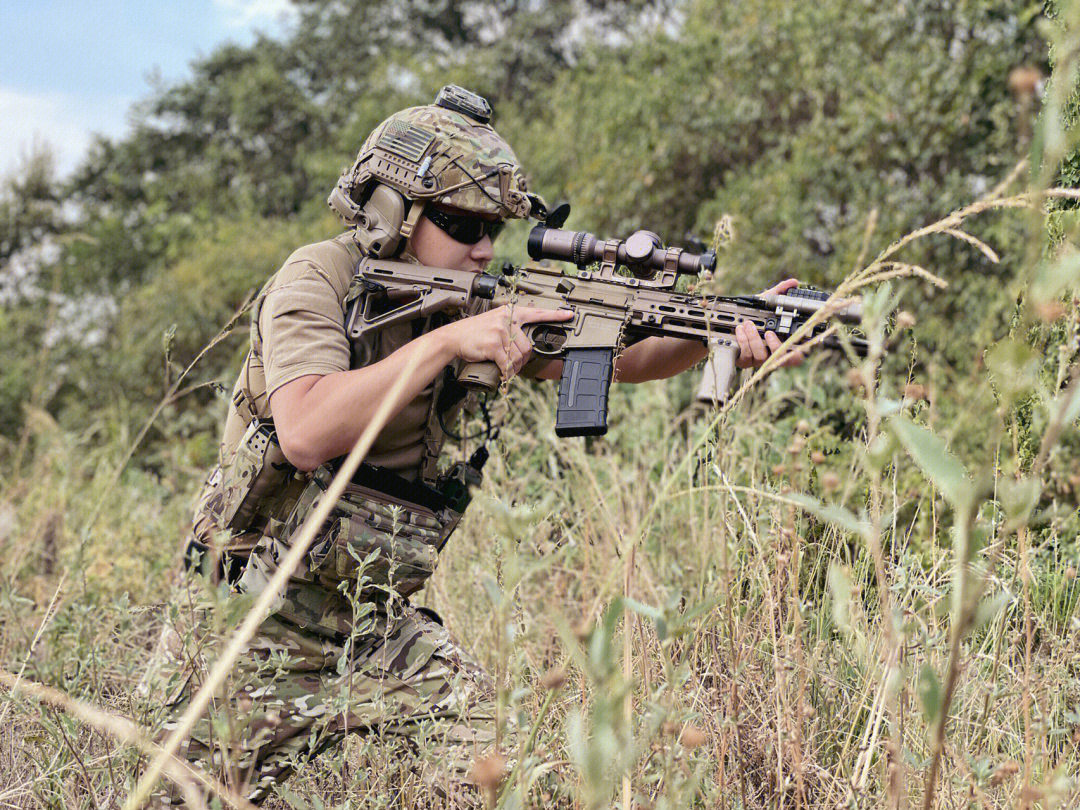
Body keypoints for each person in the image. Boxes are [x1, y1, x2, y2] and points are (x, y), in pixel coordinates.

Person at [147, 85, 798, 807]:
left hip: (373, 622)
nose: (484, 247)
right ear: (394, 211)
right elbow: (304, 430)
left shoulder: (475, 298)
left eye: (493, 228)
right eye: (461, 223)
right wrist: (445, 345)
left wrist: (722, 333)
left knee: (496, 774)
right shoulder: (319, 279)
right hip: (248, 620)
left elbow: (621, 357)